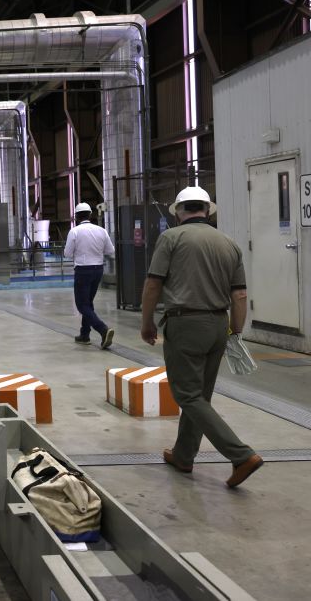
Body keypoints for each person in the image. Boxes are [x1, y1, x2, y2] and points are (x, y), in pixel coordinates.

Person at [140, 186, 263, 489]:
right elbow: (239, 294)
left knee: (188, 395)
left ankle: (241, 455)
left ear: (179, 212)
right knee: (200, 396)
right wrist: (235, 332)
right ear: (207, 211)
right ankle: (183, 455)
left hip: (186, 324)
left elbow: (154, 284)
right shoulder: (228, 243)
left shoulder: (171, 238)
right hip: (219, 325)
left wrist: (147, 322)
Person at [64, 202, 115, 349]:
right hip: (98, 269)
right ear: (90, 215)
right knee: (88, 303)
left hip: (83, 270)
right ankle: (84, 334)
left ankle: (103, 329)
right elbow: (110, 251)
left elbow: (67, 253)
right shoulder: (101, 231)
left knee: (82, 305)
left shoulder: (74, 232)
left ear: (76, 216)